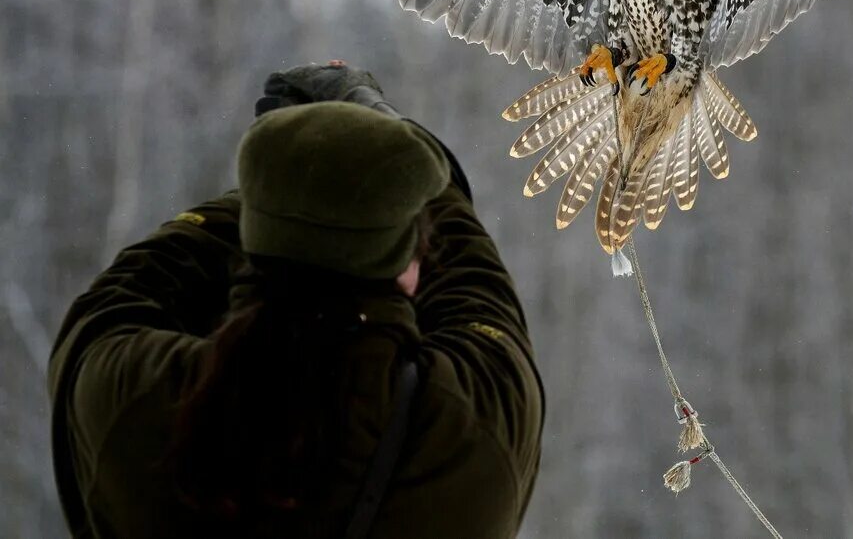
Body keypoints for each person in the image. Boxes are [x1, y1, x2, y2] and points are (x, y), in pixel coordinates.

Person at [48, 63, 545, 539]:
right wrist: (380, 142)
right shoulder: (469, 429)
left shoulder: (131, 402)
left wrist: (288, 180)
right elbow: (477, 290)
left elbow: (129, 288)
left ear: (255, 240)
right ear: (411, 268)